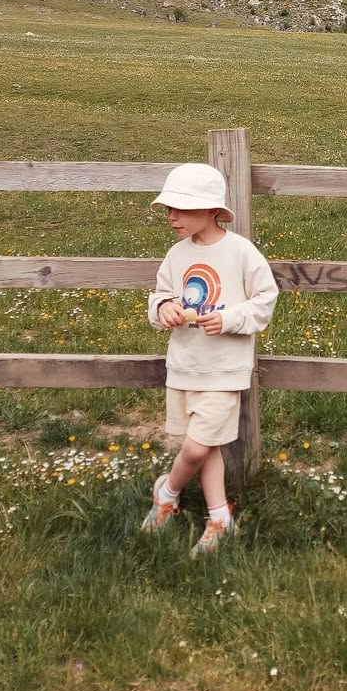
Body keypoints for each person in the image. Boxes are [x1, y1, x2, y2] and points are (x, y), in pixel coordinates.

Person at [141, 162, 278, 552]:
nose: (172, 217)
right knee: (210, 446)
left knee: (197, 447)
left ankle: (167, 493)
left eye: (181, 209)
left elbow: (265, 301)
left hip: (224, 370)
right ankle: (220, 517)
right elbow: (159, 296)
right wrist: (164, 307)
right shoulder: (176, 255)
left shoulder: (241, 253)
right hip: (185, 366)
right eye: (169, 209)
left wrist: (230, 319)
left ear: (212, 211)